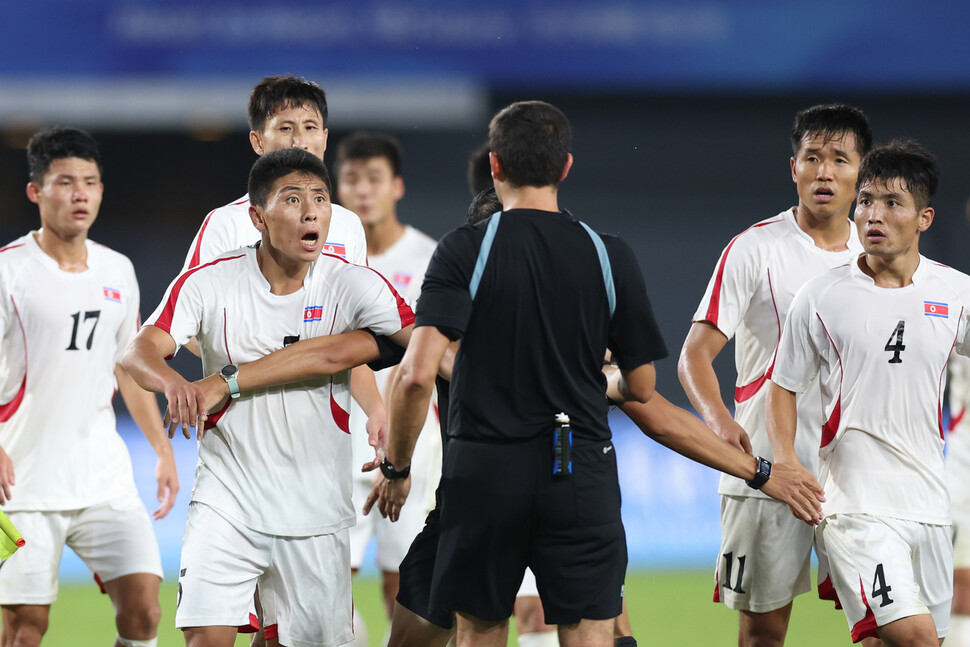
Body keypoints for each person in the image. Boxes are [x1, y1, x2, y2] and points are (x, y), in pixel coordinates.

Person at [122, 148, 414, 647]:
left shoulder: (352, 283)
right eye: (293, 199)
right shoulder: (210, 281)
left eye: (320, 199)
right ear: (257, 216)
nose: (310, 212)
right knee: (206, 638)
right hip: (227, 497)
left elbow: (430, 350)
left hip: (314, 509)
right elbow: (138, 352)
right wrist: (173, 382)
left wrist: (386, 413)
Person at [179, 75, 385, 643]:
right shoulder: (225, 225)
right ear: (256, 141)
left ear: (326, 136)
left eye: (311, 127)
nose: (301, 138)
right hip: (240, 455)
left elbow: (351, 342)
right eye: (285, 128)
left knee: (288, 632)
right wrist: (250, 368)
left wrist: (377, 410)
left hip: (316, 454)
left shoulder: (344, 226)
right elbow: (189, 323)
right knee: (216, 628)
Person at [678, 104, 872, 646]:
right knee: (763, 634)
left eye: (839, 159)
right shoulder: (754, 248)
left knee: (886, 629)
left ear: (862, 171)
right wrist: (718, 421)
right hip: (767, 472)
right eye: (813, 158)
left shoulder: (880, 253)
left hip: (857, 475)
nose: (825, 172)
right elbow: (694, 355)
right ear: (794, 168)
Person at [767, 140, 965, 646]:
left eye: (892, 204)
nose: (873, 215)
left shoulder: (955, 292)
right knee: (918, 639)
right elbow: (783, 386)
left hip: (930, 505)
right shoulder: (822, 296)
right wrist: (786, 459)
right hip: (856, 507)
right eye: (867, 201)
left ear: (924, 218)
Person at [0, 127, 178, 647]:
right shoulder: (8, 271)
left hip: (104, 479)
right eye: (65, 182)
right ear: (36, 191)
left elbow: (128, 368)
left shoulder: (117, 270)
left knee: (145, 611)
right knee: (24, 629)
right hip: (17, 491)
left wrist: (162, 449)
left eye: (91, 182)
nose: (80, 194)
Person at [334, 131, 441, 644]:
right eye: (351, 179)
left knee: (405, 581)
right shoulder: (326, 258)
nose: (362, 191)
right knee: (329, 585)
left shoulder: (430, 258)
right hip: (334, 442)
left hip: (411, 440)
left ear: (396, 186)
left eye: (373, 179)